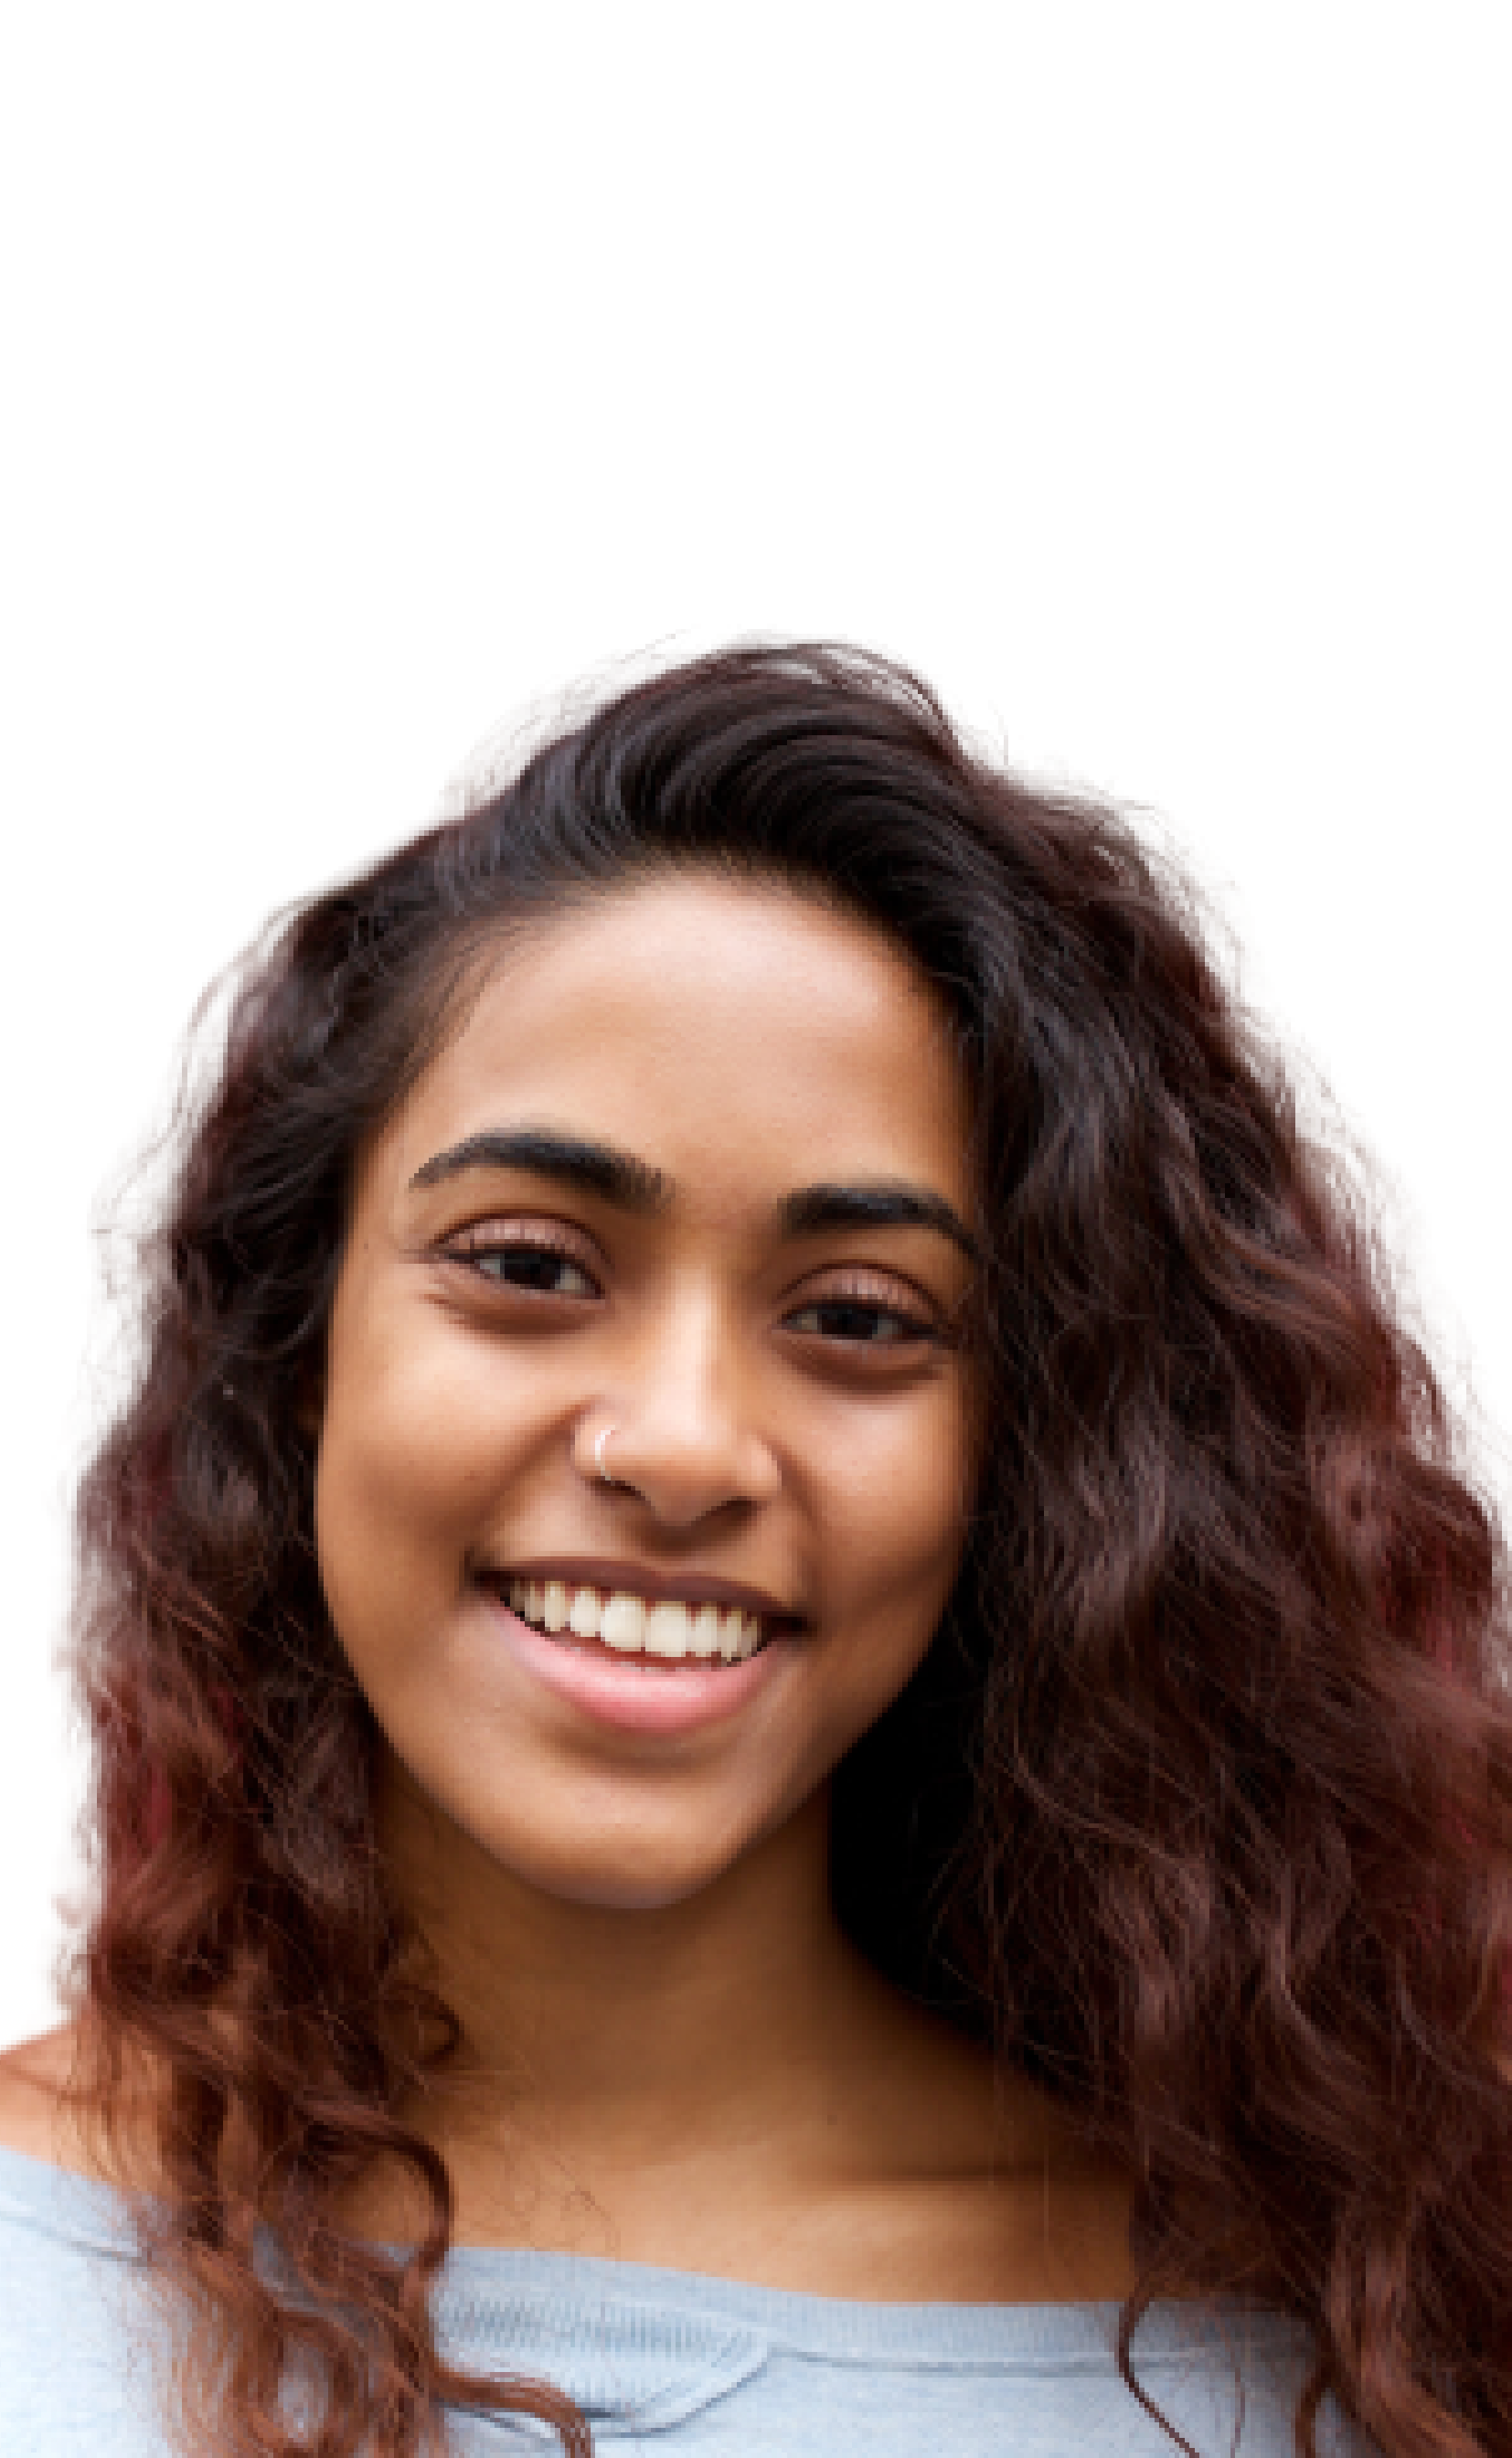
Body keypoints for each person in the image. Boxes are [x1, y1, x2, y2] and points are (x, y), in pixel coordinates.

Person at [0, 644, 1506, 2458]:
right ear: (295, 1354)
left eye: (860, 1316)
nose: (684, 1445)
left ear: (1022, 1452)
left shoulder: (1339, 2366)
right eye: (530, 1265)